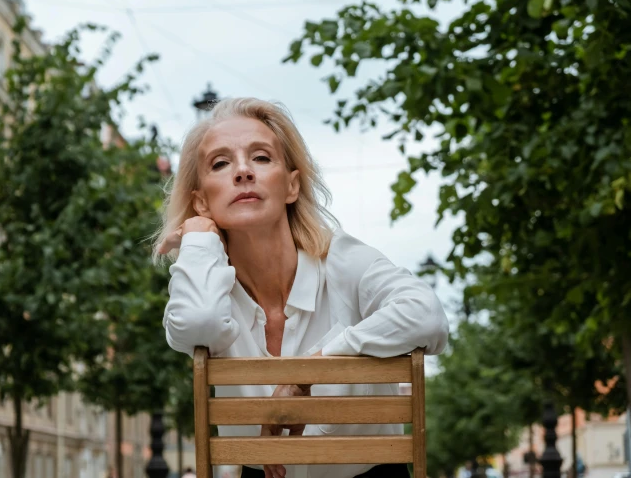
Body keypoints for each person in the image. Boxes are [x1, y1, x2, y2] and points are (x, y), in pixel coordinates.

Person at [155, 98, 449, 478]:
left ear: (292, 185)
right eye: (221, 163)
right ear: (201, 200)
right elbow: (198, 324)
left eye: (261, 158)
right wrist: (198, 238)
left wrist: (309, 371)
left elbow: (428, 317)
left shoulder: (341, 260)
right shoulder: (207, 285)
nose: (243, 171)